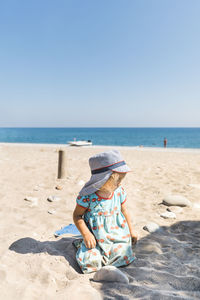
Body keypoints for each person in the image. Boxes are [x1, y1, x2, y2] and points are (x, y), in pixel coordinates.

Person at [73, 150, 138, 274]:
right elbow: (77, 216)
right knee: (89, 261)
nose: (120, 184)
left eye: (121, 180)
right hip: (96, 237)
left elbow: (124, 211)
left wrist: (131, 231)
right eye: (117, 180)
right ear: (103, 179)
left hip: (116, 234)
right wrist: (86, 234)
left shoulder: (119, 192)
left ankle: (109, 257)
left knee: (123, 253)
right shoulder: (88, 197)